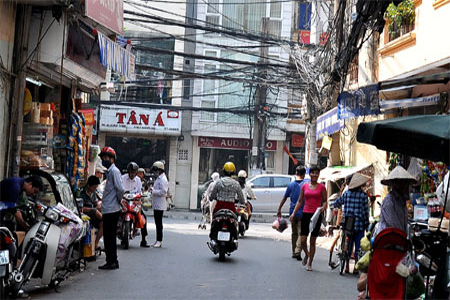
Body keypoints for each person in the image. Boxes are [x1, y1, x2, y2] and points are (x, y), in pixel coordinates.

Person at [331, 173, 371, 274]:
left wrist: (331, 204)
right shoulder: (363, 196)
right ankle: (356, 268)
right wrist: (366, 224)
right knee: (358, 246)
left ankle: (347, 266)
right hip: (359, 225)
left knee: (347, 245)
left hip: (347, 224)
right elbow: (365, 212)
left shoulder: (347, 194)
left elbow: (337, 203)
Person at [290, 165, 327, 271]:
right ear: (309, 174)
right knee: (302, 240)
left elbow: (325, 201)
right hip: (306, 214)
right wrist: (293, 213)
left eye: (317, 173)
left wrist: (323, 207)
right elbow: (300, 201)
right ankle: (307, 254)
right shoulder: (304, 187)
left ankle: (310, 263)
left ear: (318, 175)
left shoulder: (322, 187)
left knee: (312, 240)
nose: (315, 175)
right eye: (313, 173)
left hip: (316, 215)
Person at [98, 146, 124, 270]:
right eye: (103, 158)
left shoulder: (114, 171)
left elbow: (120, 189)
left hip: (112, 209)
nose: (104, 160)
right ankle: (111, 260)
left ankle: (112, 261)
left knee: (110, 237)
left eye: (106, 157)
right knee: (108, 237)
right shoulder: (110, 172)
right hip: (108, 208)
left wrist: (119, 201)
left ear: (112, 159)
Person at [209, 162, 245, 240]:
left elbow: (212, 196)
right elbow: (242, 199)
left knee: (214, 221)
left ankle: (213, 237)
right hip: (231, 208)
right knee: (235, 223)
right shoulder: (236, 184)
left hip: (219, 207)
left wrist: (212, 198)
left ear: (223, 170)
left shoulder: (219, 182)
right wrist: (241, 202)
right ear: (233, 171)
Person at [278, 166, 307, 261]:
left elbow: (284, 198)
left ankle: (294, 252)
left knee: (294, 233)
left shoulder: (291, 185)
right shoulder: (306, 185)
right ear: (304, 174)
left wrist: (279, 209)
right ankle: (298, 251)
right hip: (302, 212)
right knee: (300, 233)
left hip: (292, 212)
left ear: (296, 173)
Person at [377, 165, 416, 234]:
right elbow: (394, 225)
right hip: (388, 239)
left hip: (398, 238)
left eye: (406, 183)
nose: (406, 186)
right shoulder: (389, 201)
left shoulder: (402, 200)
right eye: (403, 183)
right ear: (396, 184)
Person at [122, 162, 149, 248]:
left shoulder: (138, 180)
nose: (132, 174)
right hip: (124, 202)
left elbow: (140, 193)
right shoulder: (122, 178)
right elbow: (119, 190)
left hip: (134, 202)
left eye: (134, 172)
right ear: (128, 172)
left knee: (143, 217)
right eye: (131, 172)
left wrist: (139, 199)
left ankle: (144, 240)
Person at [78, 176, 103, 250]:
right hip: (84, 215)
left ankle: (95, 244)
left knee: (103, 223)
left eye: (96, 187)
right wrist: (93, 209)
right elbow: (80, 208)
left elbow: (95, 204)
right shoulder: (80, 192)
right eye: (94, 187)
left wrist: (98, 207)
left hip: (94, 215)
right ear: (88, 185)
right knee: (94, 211)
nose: (95, 189)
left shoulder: (94, 193)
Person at [150, 161, 168, 248]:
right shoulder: (159, 178)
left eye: (156, 170)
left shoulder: (163, 179)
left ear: (160, 170)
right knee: (157, 223)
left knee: (159, 223)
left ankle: (159, 240)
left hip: (160, 204)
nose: (155, 172)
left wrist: (153, 191)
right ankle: (157, 240)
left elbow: (164, 192)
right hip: (156, 203)